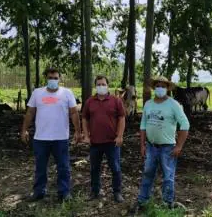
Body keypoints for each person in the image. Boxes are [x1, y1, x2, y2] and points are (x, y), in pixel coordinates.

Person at [21, 68, 81, 202]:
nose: (53, 80)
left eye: (55, 78)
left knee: (63, 167)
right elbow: (30, 112)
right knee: (40, 167)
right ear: (46, 79)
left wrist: (78, 131)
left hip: (61, 138)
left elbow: (74, 113)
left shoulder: (67, 93)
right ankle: (39, 192)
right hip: (41, 138)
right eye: (50, 78)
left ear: (59, 79)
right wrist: (24, 129)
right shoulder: (37, 93)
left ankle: (64, 193)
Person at [131, 76, 190, 213]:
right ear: (154, 88)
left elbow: (185, 124)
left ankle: (168, 203)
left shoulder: (174, 105)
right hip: (151, 146)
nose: (160, 88)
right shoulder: (148, 104)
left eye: (163, 86)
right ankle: (143, 201)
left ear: (167, 88)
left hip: (168, 148)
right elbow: (143, 125)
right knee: (147, 174)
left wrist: (179, 146)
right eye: (158, 85)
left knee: (168, 176)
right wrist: (142, 145)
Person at [82, 75, 126, 203]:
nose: (101, 86)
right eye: (99, 84)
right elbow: (84, 118)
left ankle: (117, 192)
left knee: (116, 168)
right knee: (94, 168)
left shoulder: (116, 101)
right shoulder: (90, 101)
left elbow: (122, 118)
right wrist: (86, 135)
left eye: (103, 84)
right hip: (95, 142)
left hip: (112, 142)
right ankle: (95, 191)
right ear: (95, 86)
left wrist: (120, 136)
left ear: (108, 85)